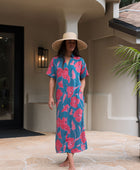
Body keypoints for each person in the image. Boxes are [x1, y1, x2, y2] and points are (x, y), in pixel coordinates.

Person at [46, 32, 89, 170]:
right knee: (64, 128)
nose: (72, 43)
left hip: (77, 100)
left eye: (73, 42)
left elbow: (83, 78)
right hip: (62, 101)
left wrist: (81, 90)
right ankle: (71, 163)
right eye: (69, 41)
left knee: (75, 129)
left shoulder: (80, 61)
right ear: (64, 43)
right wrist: (51, 97)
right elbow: (52, 79)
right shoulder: (55, 61)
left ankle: (68, 160)